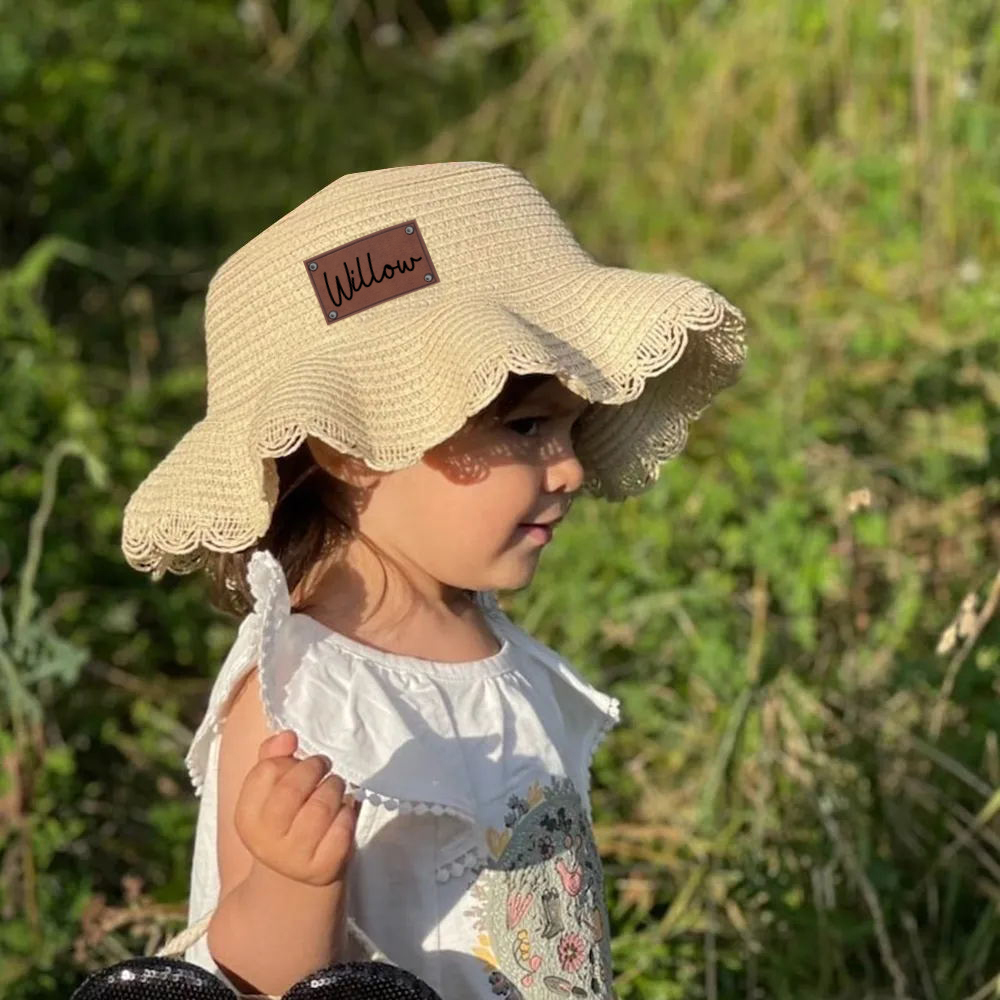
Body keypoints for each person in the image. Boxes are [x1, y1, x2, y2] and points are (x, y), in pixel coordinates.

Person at [120, 160, 748, 1000]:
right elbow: (252, 982)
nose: (566, 470)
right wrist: (290, 882)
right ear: (350, 443)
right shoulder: (301, 693)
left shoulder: (490, 644)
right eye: (524, 427)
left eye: (571, 426)